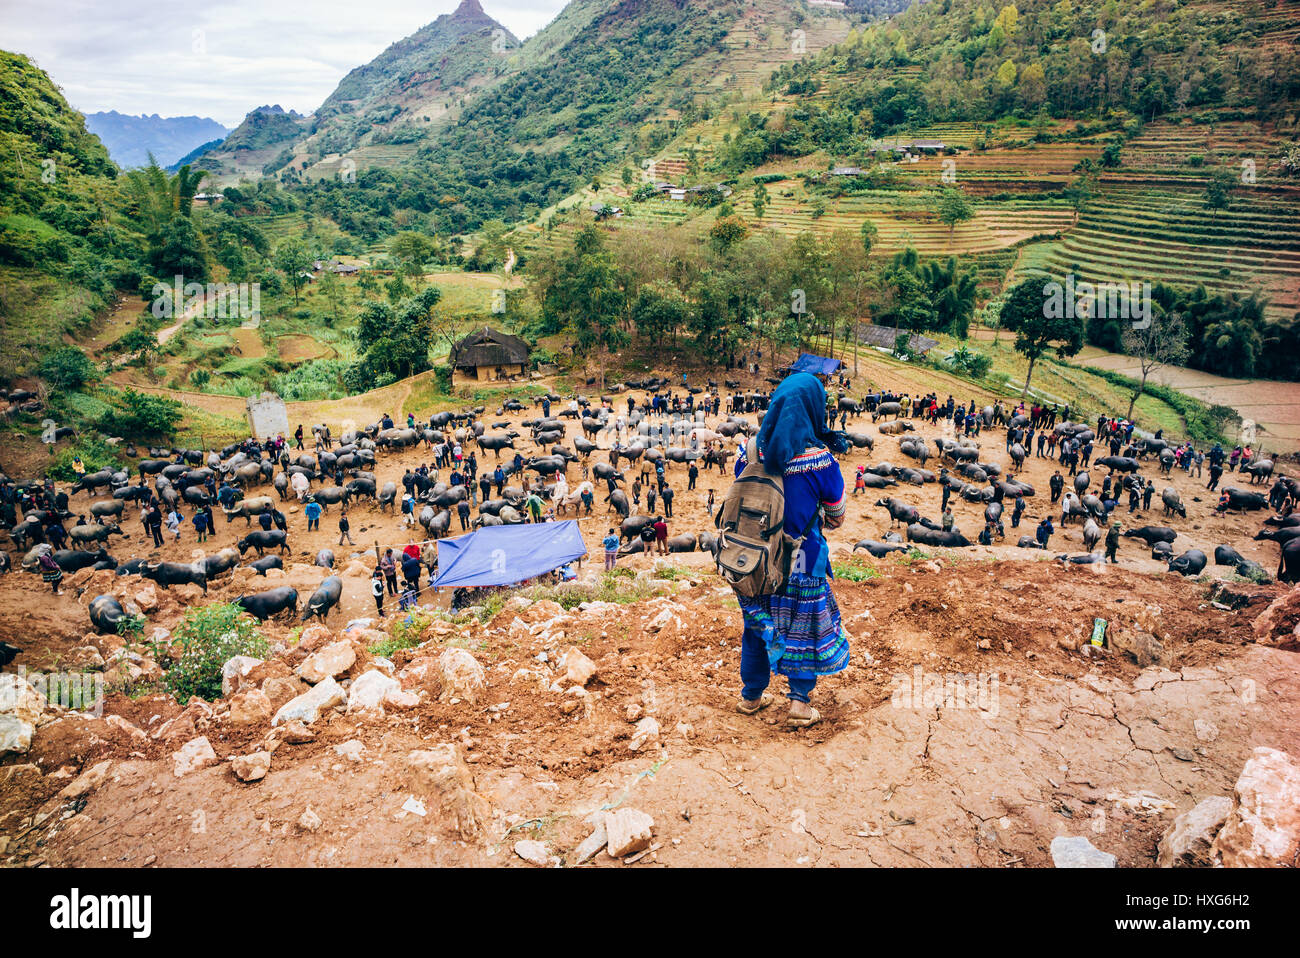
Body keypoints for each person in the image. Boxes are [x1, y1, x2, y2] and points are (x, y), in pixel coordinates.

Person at [731, 373, 849, 730]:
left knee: (756, 627)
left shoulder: (749, 452)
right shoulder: (822, 461)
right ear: (815, 410)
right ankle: (799, 703)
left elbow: (744, 497)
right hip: (803, 559)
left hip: (755, 559)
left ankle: (751, 697)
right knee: (805, 628)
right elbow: (836, 517)